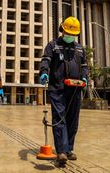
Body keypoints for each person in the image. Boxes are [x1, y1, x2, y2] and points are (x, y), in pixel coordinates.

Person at [39, 16, 88, 165]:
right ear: (62, 30)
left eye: (73, 34)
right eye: (68, 33)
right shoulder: (53, 45)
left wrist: (85, 77)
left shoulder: (79, 48)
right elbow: (46, 59)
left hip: (75, 89)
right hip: (57, 88)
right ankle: (61, 151)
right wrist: (44, 72)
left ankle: (69, 149)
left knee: (73, 120)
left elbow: (84, 66)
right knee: (59, 118)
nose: (70, 36)